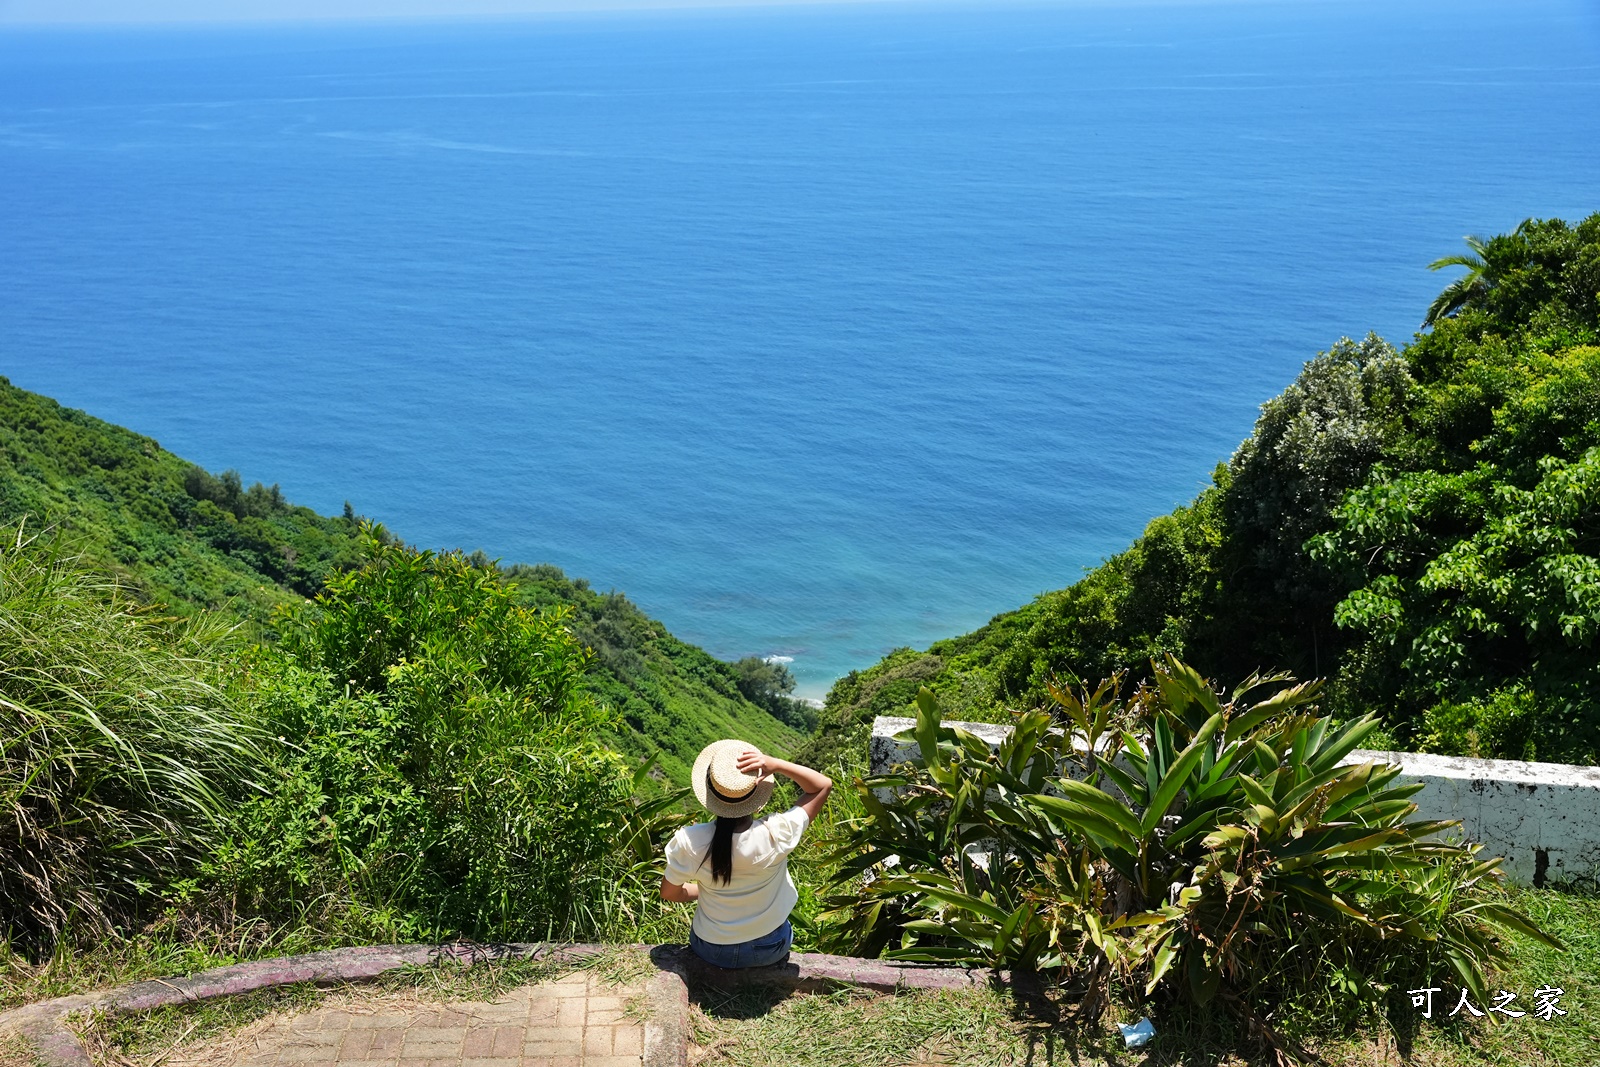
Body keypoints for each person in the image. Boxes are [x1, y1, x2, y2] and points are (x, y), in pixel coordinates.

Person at [660, 739, 832, 968]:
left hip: (711, 950)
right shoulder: (777, 832)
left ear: (709, 799)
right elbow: (822, 786)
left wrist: (703, 891)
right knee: (784, 929)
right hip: (770, 949)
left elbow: (670, 893)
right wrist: (777, 764)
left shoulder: (689, 842)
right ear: (758, 802)